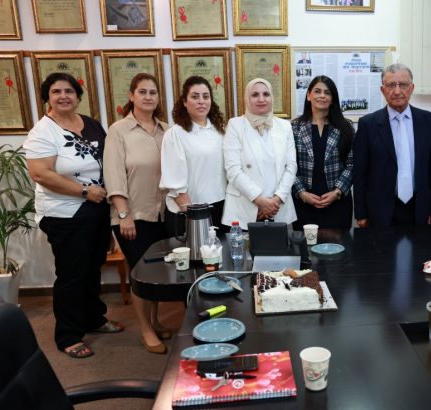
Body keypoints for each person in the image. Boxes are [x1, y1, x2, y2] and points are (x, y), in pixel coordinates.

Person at [24, 72, 123, 359]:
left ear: (78, 96)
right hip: (64, 213)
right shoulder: (43, 132)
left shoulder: (91, 124)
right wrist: (83, 191)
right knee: (72, 274)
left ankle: (94, 318)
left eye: (69, 91)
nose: (63, 96)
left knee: (93, 268)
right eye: (56, 91)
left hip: (97, 209)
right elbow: (40, 173)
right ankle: (67, 335)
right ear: (47, 98)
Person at [103, 73, 171, 354]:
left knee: (156, 272)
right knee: (140, 273)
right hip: (133, 216)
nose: (148, 97)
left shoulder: (166, 130)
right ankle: (145, 329)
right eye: (142, 91)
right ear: (131, 96)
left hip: (163, 215)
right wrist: (123, 214)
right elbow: (114, 174)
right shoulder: (118, 131)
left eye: (153, 92)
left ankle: (155, 321)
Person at [353, 63, 431, 227]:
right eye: (391, 85)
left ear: (412, 88)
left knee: (421, 245)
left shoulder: (429, 121)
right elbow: (359, 173)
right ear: (382, 90)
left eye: (403, 85)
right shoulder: (368, 124)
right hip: (380, 210)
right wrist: (361, 212)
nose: (397, 91)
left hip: (419, 207)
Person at [222, 78, 297, 228]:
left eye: (266, 94)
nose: (261, 99)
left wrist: (276, 200)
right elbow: (233, 170)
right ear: (247, 99)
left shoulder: (284, 126)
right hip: (244, 208)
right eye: (255, 94)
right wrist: (260, 201)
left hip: (278, 208)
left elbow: (291, 167)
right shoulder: (235, 125)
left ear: (272, 97)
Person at [160, 76, 227, 234]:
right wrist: (193, 217)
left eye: (206, 96)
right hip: (190, 213)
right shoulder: (175, 134)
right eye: (195, 97)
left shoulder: (221, 131)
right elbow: (175, 184)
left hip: (221, 208)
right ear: (184, 101)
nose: (201, 101)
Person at [292, 75, 354, 229]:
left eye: (327, 93)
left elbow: (352, 164)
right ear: (308, 95)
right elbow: (289, 165)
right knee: (306, 244)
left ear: (332, 99)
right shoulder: (294, 127)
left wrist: (337, 192)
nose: (322, 96)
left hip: (337, 203)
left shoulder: (346, 127)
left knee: (340, 244)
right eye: (317, 91)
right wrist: (302, 193)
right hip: (304, 204)